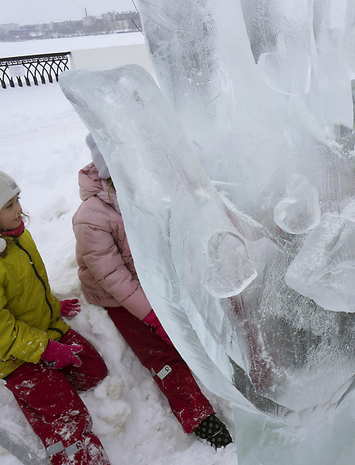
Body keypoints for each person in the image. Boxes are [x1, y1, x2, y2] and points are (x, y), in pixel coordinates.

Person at [72, 134, 233, 448]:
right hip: (120, 297)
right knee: (161, 352)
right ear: (109, 173)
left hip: (155, 279)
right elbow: (114, 279)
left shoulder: (141, 192)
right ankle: (199, 417)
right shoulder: (91, 218)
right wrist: (150, 314)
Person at [0, 165, 110, 465]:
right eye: (9, 205)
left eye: (17, 199)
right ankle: (68, 452)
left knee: (93, 372)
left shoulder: (14, 235)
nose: (19, 209)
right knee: (69, 416)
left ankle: (38, 396)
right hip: (12, 354)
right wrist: (44, 349)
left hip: (44, 328)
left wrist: (53, 306)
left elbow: (29, 285)